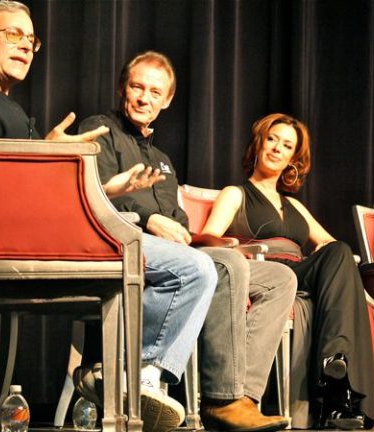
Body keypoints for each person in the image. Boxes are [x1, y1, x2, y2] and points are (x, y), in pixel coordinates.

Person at [0, 3, 219, 432]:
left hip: (46, 240)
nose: (26, 47)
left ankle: (128, 375)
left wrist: (90, 179)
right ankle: (133, 374)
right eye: (12, 35)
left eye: (30, 39)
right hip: (24, 249)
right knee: (194, 268)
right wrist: (50, 160)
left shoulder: (3, 106)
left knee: (209, 265)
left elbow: (29, 190)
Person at [76, 51, 297, 432]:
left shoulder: (162, 159)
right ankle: (211, 395)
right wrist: (149, 218)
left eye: (154, 92)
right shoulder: (100, 129)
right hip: (120, 243)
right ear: (122, 89)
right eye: (137, 87)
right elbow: (91, 194)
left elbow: (177, 220)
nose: (144, 98)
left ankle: (244, 396)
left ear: (168, 100)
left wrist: (192, 234)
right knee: (222, 267)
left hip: (173, 250)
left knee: (280, 279)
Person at [201, 113, 374, 429]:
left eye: (287, 145)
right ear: (258, 144)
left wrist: (332, 264)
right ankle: (337, 387)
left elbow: (328, 243)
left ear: (293, 159)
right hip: (264, 269)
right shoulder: (236, 193)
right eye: (272, 140)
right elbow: (208, 238)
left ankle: (336, 368)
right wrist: (237, 249)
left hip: (299, 269)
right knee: (337, 257)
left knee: (340, 250)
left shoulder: (295, 206)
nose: (277, 148)